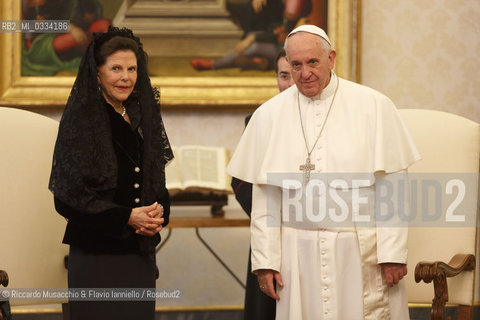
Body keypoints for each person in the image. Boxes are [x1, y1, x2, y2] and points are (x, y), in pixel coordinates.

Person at [227, 25, 421, 319]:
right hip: (297, 256)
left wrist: (392, 253)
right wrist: (266, 261)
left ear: (330, 59)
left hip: (359, 254)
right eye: (296, 65)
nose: (304, 73)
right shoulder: (268, 115)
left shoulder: (373, 106)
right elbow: (265, 198)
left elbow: (392, 185)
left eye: (313, 62)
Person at [49, 26, 173, 320]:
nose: (125, 77)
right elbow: (67, 199)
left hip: (139, 254)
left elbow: (156, 183)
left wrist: (159, 214)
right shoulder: (82, 122)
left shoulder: (142, 117)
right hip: (96, 258)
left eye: (132, 68)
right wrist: (127, 217)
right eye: (116, 68)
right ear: (98, 72)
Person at [231, 48, 293, 320]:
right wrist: (275, 218)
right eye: (284, 75)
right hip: (272, 236)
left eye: (295, 74)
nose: (291, 82)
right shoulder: (260, 120)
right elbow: (241, 182)